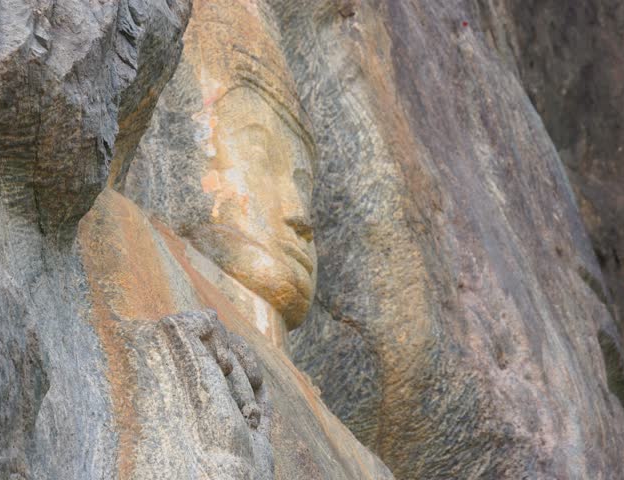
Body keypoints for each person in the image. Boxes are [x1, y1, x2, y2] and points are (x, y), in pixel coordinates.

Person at [78, 0, 393, 477]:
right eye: (261, 153)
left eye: (303, 179)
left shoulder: (360, 459)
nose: (300, 214)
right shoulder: (122, 248)